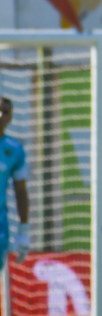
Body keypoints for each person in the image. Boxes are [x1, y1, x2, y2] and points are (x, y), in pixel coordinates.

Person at [0, 97, 30, 272]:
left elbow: (20, 191)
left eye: (6, 112)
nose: (1, 115)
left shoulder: (14, 150)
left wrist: (24, 230)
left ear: (10, 118)